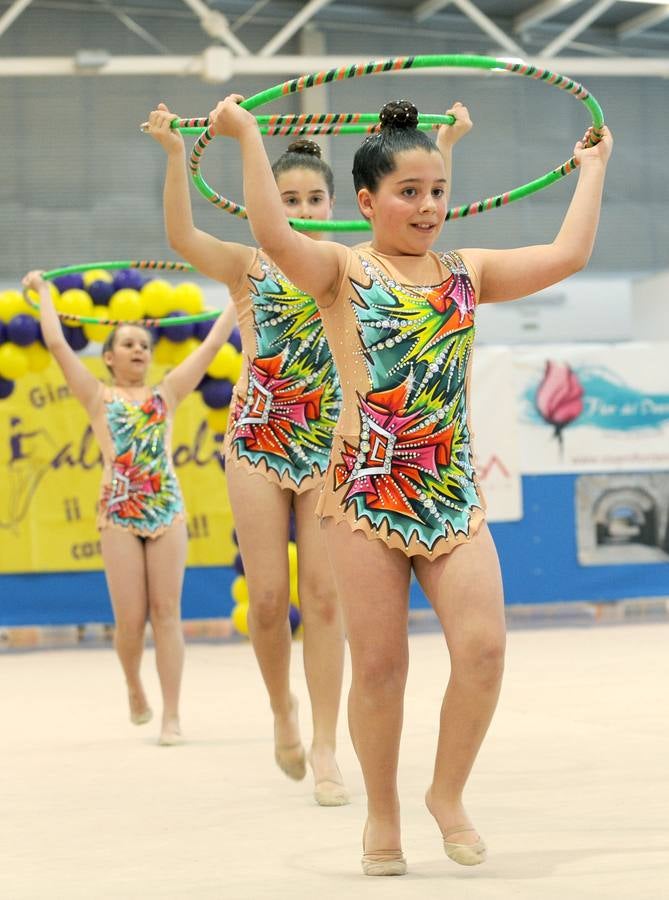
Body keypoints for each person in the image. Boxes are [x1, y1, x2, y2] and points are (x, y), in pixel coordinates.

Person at [206, 93, 613, 873]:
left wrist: (590, 170)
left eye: (435, 191)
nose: (427, 207)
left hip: (448, 494)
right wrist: (249, 137)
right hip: (362, 494)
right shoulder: (339, 270)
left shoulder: (469, 272)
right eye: (408, 192)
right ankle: (382, 814)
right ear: (366, 201)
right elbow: (269, 232)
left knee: (484, 650)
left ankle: (446, 795)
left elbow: (566, 256)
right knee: (382, 667)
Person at [145, 101, 471, 805]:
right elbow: (178, 232)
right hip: (261, 440)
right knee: (267, 602)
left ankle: (326, 744)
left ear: (339, 204)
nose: (300, 207)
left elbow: (422, 227)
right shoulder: (248, 265)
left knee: (324, 600)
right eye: (287, 197)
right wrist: (178, 157)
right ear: (265, 198)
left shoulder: (348, 264)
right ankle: (281, 712)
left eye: (313, 197)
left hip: (332, 442)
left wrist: (442, 146)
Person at [22, 269, 236, 746]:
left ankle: (172, 715)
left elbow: (210, 348)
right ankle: (135, 686)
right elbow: (58, 347)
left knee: (167, 612)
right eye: (128, 343)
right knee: (130, 619)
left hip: (166, 510)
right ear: (109, 356)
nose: (139, 349)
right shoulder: (97, 396)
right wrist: (44, 293)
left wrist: (237, 293)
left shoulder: (167, 394)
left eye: (145, 343)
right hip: (118, 512)